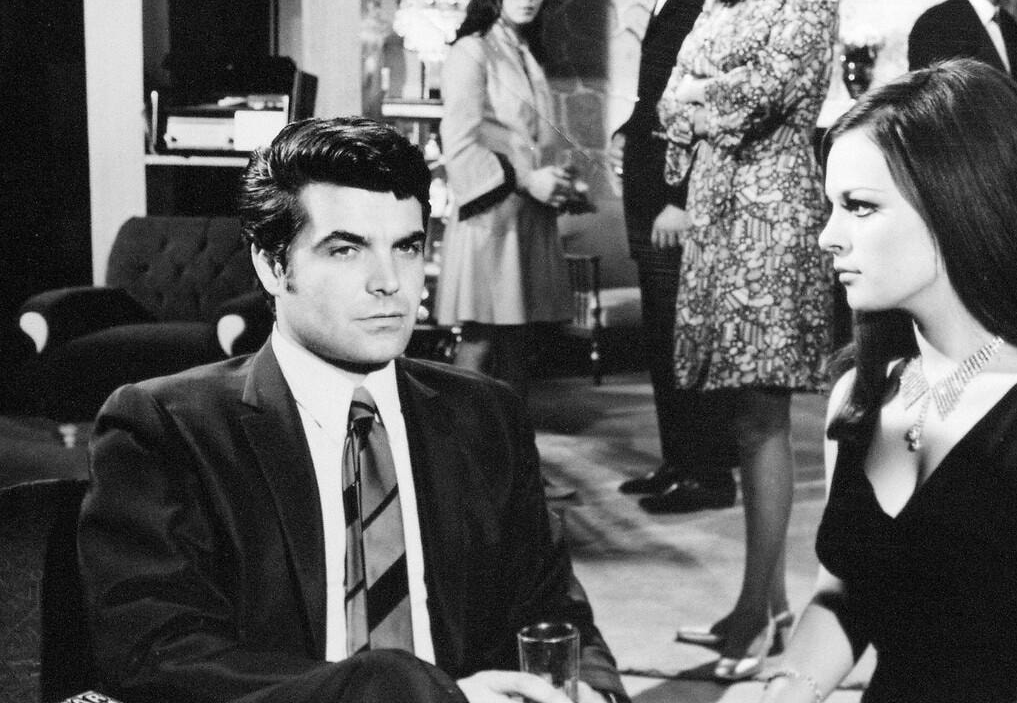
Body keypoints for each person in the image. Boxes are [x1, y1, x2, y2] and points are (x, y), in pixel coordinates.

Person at [77, 118, 628, 703]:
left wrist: (589, 691)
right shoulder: (164, 427)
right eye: (346, 249)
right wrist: (414, 696)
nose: (389, 283)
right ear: (271, 266)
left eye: (407, 247)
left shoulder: (486, 414)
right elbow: (158, 656)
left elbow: (552, 614)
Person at [763, 59, 1017, 703]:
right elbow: (843, 594)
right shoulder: (858, 397)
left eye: (859, 207)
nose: (826, 237)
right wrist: (787, 688)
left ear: (957, 206)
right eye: (831, 208)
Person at [658, 0, 838, 680]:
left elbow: (765, 93)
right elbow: (669, 104)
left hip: (773, 221)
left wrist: (703, 96)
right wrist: (701, 99)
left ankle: (762, 618)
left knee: (764, 416)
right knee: (740, 416)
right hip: (716, 218)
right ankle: (759, 604)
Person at [609, 0, 738, 514]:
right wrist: (625, 133)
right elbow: (657, 97)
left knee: (687, 338)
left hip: (673, 199)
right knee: (662, 336)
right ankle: (679, 460)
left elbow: (702, 104)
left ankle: (707, 473)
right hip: (647, 189)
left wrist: (680, 200)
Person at [435, 0, 574, 407]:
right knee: (481, 338)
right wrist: (527, 180)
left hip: (525, 216)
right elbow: (459, 144)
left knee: (517, 343)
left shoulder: (524, 53)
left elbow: (528, 136)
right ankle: (457, 447)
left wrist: (558, 181)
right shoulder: (472, 51)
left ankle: (514, 450)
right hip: (491, 215)